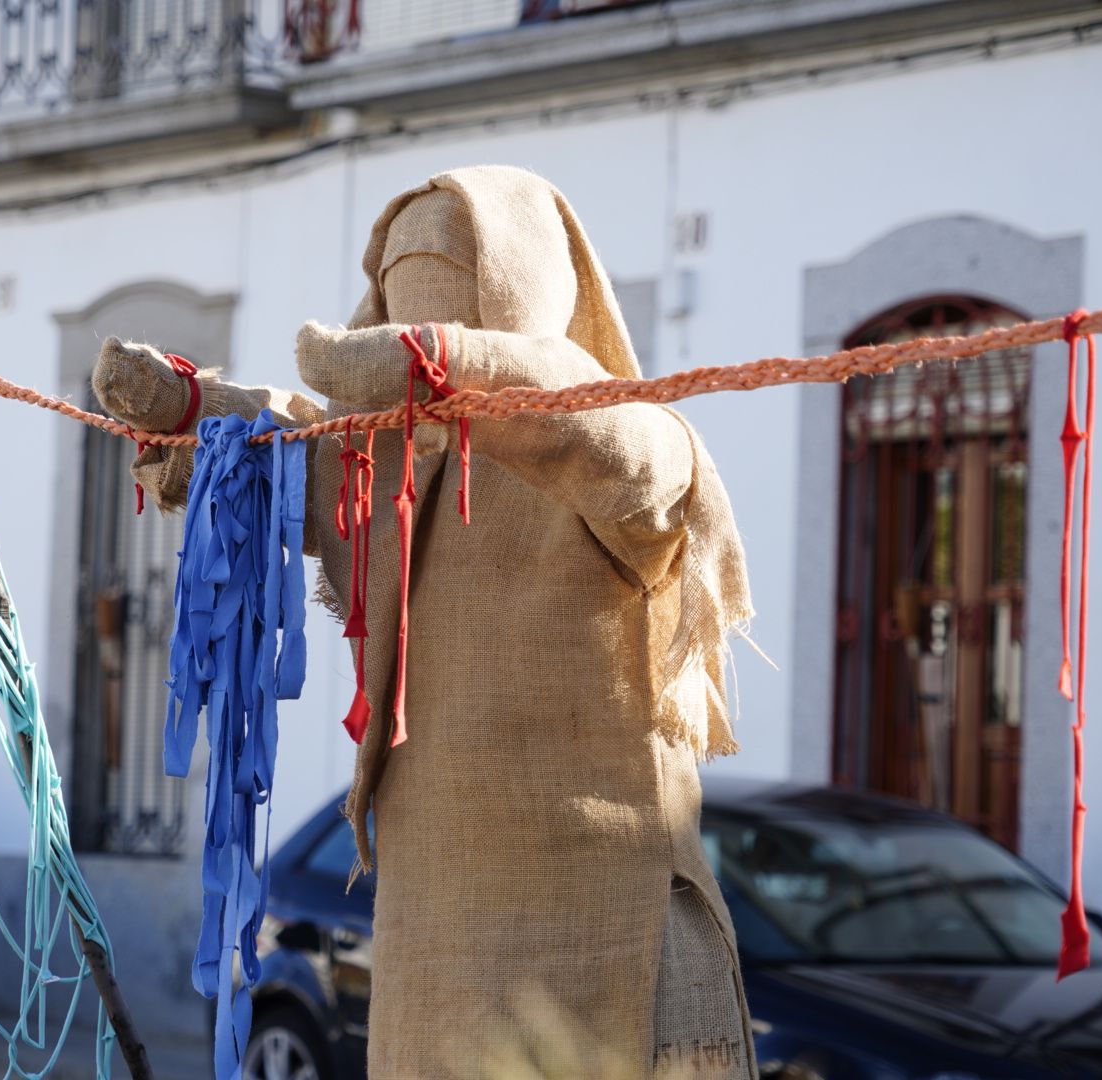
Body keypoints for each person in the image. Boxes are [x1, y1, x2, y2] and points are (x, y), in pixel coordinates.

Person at [94, 166, 756, 1079]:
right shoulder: (391, 468)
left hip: (611, 940)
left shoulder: (621, 429)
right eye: (404, 313)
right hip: (433, 952)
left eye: (447, 309)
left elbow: (627, 451)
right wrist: (192, 409)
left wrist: (460, 366)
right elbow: (286, 451)